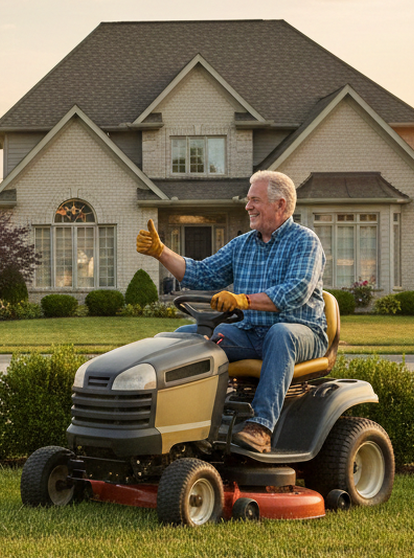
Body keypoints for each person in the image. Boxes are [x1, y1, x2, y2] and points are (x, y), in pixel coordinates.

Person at [136, 170, 327, 453]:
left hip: (302, 333)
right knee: (183, 339)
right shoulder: (243, 244)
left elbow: (295, 291)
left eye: (255, 200)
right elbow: (202, 274)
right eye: (248, 200)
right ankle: (181, 422)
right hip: (250, 333)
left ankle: (260, 427)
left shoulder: (305, 241)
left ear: (280, 205)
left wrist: (242, 301)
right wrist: (161, 252)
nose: (248, 206)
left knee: (280, 334)